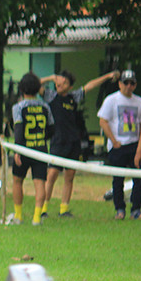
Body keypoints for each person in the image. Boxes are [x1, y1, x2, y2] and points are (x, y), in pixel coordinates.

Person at [39, 69, 120, 218]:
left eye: (64, 82)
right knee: (51, 175)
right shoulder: (51, 96)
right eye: (59, 81)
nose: (60, 84)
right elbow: (35, 84)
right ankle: (43, 209)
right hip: (58, 141)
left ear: (70, 87)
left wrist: (108, 76)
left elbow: (89, 86)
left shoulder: (73, 97)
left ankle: (64, 209)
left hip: (73, 142)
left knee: (69, 176)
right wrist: (50, 77)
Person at [98, 69, 141, 219]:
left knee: (138, 178)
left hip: (134, 145)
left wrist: (140, 146)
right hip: (117, 146)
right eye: (125, 83)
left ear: (135, 85)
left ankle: (136, 210)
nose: (128, 86)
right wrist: (113, 141)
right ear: (120, 84)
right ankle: (120, 209)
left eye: (132, 83)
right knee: (118, 179)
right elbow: (103, 120)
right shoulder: (111, 100)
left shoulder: (138, 101)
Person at [10, 72, 54, 226]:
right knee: (40, 183)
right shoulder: (45, 107)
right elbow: (51, 129)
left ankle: (18, 215)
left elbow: (18, 130)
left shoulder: (18, 107)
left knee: (17, 181)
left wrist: (18, 150)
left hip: (24, 150)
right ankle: (36, 218)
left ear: (21, 89)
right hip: (41, 149)